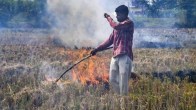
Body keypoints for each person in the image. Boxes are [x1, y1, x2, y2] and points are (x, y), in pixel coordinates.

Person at [90, 5, 134, 95]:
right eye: (116, 15)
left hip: (124, 56)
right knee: (112, 80)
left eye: (118, 15)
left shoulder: (128, 23)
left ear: (125, 14)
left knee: (123, 81)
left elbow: (115, 26)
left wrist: (108, 17)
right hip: (115, 56)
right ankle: (119, 98)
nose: (116, 16)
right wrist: (96, 49)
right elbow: (109, 41)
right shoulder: (116, 29)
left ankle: (124, 101)